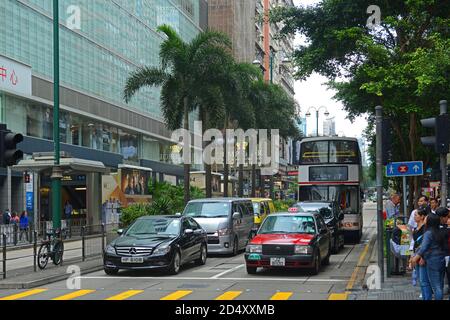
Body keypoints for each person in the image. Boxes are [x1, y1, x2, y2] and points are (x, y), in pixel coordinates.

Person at [411, 211, 448, 300]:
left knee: (436, 287)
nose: (425, 219)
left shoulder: (428, 233)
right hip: (441, 260)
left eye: (427, 218)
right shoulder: (440, 231)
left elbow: (423, 247)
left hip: (432, 260)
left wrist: (415, 258)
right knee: (439, 284)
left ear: (430, 221)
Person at [408, 206, 429, 287]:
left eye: (416, 215)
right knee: (420, 279)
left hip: (422, 255)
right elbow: (412, 243)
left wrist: (422, 257)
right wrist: (411, 255)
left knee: (424, 279)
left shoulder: (425, 228)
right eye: (414, 215)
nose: (414, 217)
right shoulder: (415, 229)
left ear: (422, 216)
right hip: (416, 255)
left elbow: (425, 244)